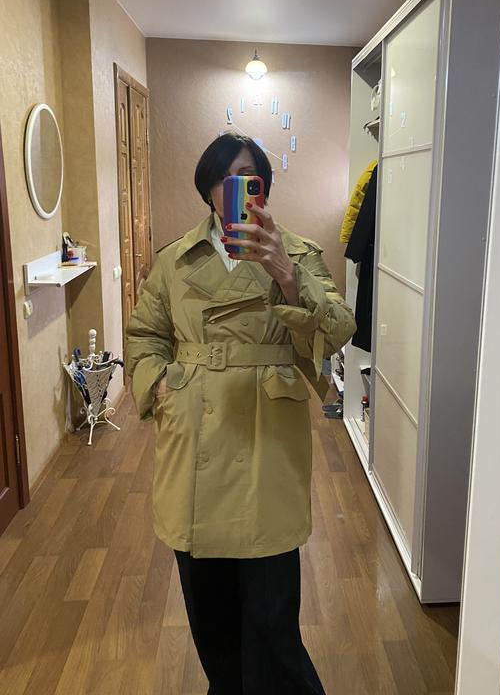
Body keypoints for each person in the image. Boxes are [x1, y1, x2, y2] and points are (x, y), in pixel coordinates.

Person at [125, 133, 356, 695]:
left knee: (273, 621)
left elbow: (338, 331)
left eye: (248, 177)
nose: (236, 187)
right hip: (193, 435)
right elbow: (144, 336)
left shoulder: (296, 253)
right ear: (208, 188)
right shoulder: (175, 260)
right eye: (225, 178)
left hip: (266, 439)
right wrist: (162, 386)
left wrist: (286, 275)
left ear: (264, 188)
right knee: (211, 618)